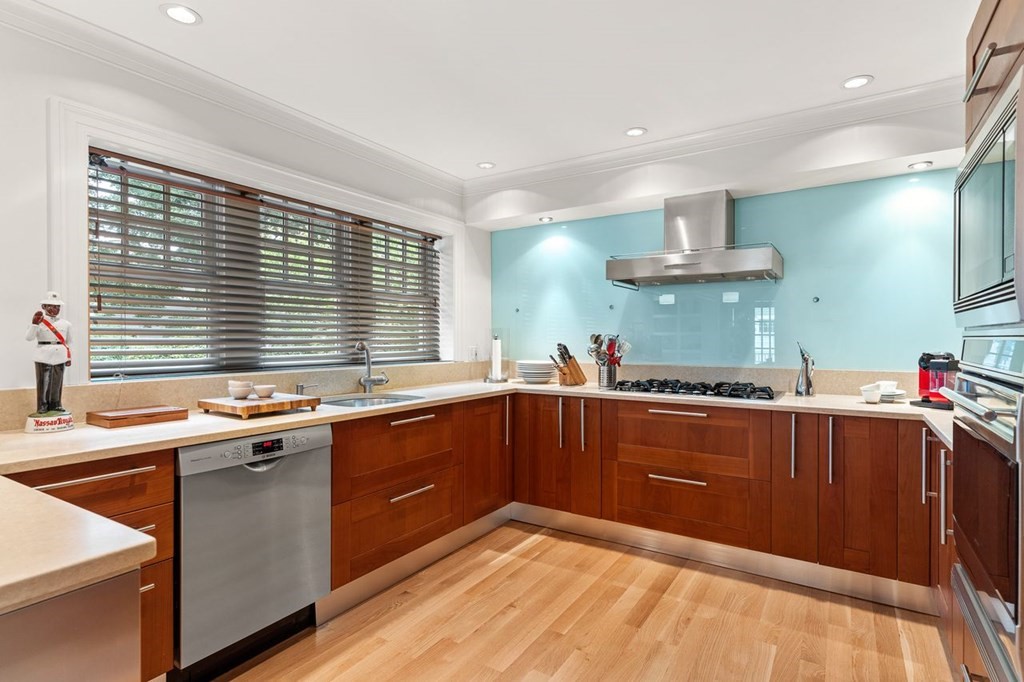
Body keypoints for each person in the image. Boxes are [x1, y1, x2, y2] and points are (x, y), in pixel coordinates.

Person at [26, 292, 72, 417]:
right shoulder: (39, 321)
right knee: (43, 381)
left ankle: (56, 404)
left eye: (57, 307)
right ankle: (42, 406)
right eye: (51, 306)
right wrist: (34, 324)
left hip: (60, 354)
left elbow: (68, 342)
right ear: (44, 307)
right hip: (43, 354)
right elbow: (29, 338)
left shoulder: (66, 324)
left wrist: (68, 357)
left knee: (57, 382)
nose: (55, 309)